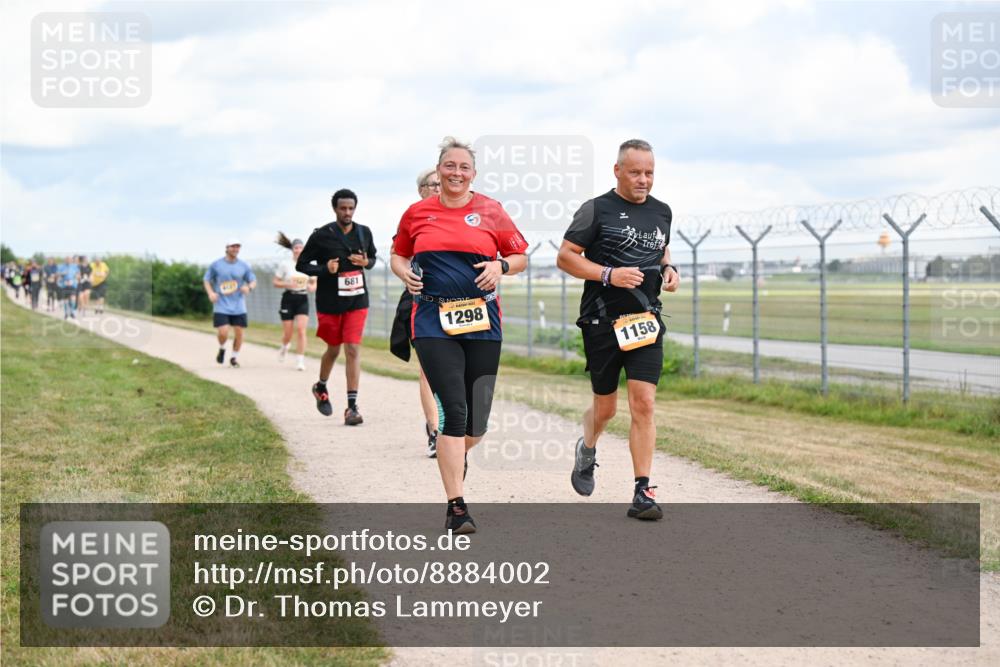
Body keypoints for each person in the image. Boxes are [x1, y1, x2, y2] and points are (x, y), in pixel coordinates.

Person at [391, 136, 528, 534]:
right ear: (439, 170)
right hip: (433, 320)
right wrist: (405, 274)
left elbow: (520, 255)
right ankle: (457, 506)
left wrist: (501, 267)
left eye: (463, 167)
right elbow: (398, 254)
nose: (455, 173)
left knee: (476, 426)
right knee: (454, 409)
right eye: (449, 166)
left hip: (483, 321)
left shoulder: (491, 210)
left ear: (474, 173)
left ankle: (454, 455)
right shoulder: (417, 213)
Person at [556, 139, 680, 521]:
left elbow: (660, 249)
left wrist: (671, 269)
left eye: (650, 173)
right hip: (602, 322)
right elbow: (565, 257)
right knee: (606, 408)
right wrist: (609, 274)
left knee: (644, 403)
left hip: (645, 322)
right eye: (636, 172)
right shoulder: (596, 210)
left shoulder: (662, 212)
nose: (644, 180)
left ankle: (643, 490)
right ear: (617, 171)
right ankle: (588, 447)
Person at [297, 188, 378, 426]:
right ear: (335, 209)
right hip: (330, 303)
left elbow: (372, 259)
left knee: (352, 349)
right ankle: (320, 386)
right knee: (333, 349)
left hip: (357, 300)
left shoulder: (364, 232)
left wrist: (366, 262)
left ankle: (352, 407)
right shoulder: (322, 235)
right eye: (343, 208)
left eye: (351, 208)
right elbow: (302, 264)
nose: (347, 212)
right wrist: (324, 270)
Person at [389, 168, 443, 457]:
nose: (439, 188)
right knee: (428, 370)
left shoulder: (459, 217)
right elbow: (397, 255)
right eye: (434, 184)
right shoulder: (413, 218)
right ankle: (435, 430)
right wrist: (410, 275)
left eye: (442, 183)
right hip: (421, 301)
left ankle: (455, 426)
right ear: (422, 189)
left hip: (459, 304)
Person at [203, 239, 257, 368]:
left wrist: (249, 287)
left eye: (238, 247)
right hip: (221, 304)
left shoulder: (243, 266)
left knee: (239, 332)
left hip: (239, 305)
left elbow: (253, 280)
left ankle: (234, 357)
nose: (235, 249)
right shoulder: (216, 264)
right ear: (227, 248)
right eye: (233, 246)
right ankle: (222, 348)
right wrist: (211, 293)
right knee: (223, 332)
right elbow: (206, 279)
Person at [274, 232, 317, 371]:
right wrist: (287, 284)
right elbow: (275, 282)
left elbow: (314, 283)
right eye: (296, 247)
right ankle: (285, 346)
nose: (298, 250)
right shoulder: (285, 264)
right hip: (288, 298)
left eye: (300, 247)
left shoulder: (309, 265)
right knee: (288, 333)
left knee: (301, 330)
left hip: (302, 298)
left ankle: (300, 360)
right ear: (292, 249)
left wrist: (311, 287)